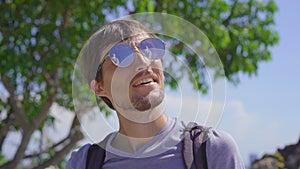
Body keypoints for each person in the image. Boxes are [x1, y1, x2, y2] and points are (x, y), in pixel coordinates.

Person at [66, 19, 245, 169]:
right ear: (99, 87)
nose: (143, 61)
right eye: (120, 55)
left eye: (149, 48)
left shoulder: (211, 151)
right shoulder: (83, 163)